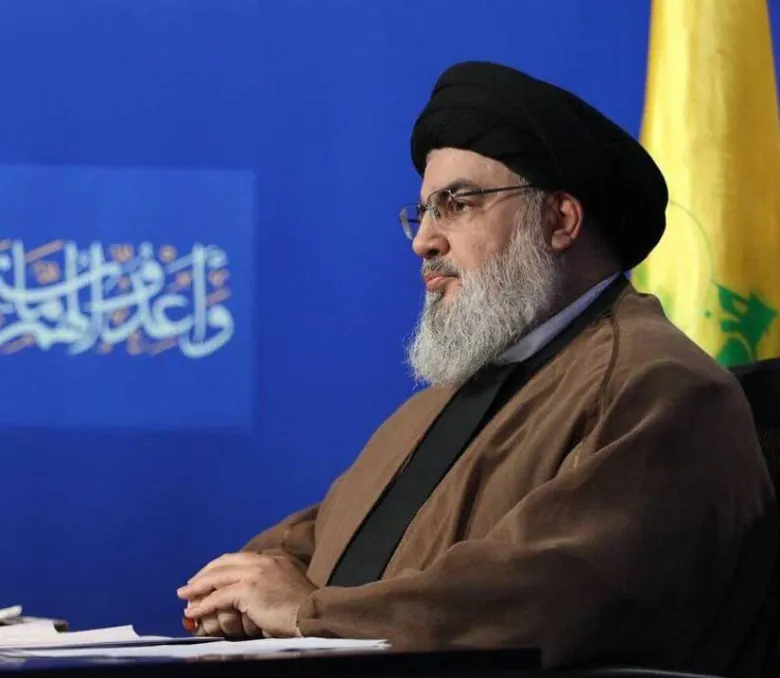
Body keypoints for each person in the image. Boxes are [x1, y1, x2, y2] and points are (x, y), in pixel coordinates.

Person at [176, 61, 778, 676]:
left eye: (457, 204)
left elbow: (547, 597)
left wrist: (307, 613)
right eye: (423, 212)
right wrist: (240, 589)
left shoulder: (659, 386)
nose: (424, 241)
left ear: (560, 221)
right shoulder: (440, 405)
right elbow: (327, 542)